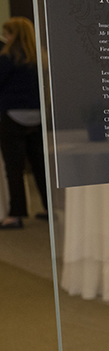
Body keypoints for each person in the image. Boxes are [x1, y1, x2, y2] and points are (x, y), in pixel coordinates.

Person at [0, 17, 48, 229]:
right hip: (37, 116)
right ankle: (48, 207)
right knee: (39, 165)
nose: (5, 37)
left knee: (14, 166)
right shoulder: (40, 58)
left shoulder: (8, 57)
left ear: (14, 34)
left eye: (7, 32)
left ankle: (16, 214)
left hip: (12, 116)